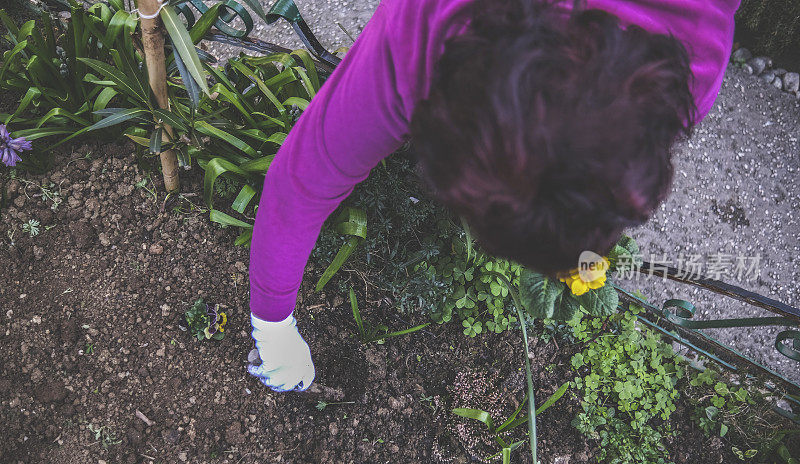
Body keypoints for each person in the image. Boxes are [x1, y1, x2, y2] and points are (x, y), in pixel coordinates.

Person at [247, 0, 740, 392]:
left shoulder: (696, 59)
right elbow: (303, 182)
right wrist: (271, 325)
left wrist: (575, 254)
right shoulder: (421, 34)